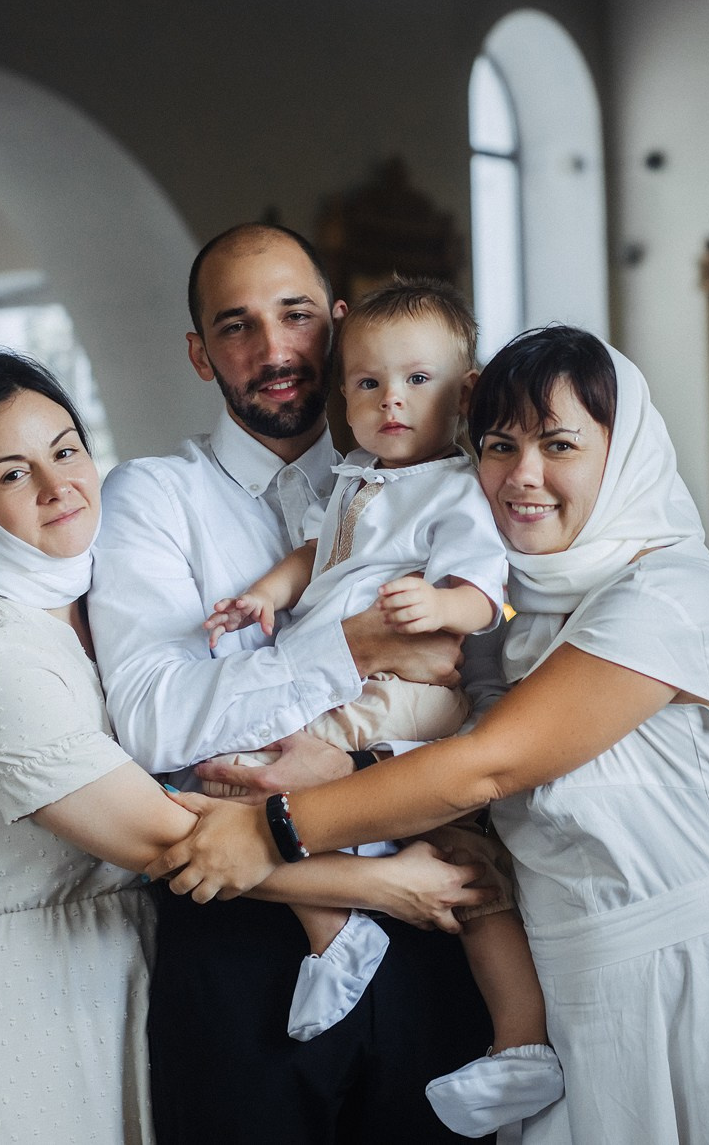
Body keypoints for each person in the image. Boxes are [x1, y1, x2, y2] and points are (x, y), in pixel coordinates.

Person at [153, 327, 709, 1145]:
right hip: (581, 1015)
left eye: (560, 444)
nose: (523, 476)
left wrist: (277, 831)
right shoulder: (526, 621)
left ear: (621, 453)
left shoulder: (665, 593)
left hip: (707, 994)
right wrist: (346, 757)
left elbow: (491, 764)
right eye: (498, 444)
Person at [0, 352, 490, 1145]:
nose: (59, 485)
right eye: (14, 474)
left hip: (114, 971)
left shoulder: (82, 604)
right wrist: (383, 882)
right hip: (13, 990)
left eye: (66, 448)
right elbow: (167, 837)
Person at [89, 226, 495, 1145]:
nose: (273, 350)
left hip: (433, 906)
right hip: (240, 947)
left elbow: (489, 677)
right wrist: (357, 642)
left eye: (296, 316)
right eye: (236, 327)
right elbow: (156, 722)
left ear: (339, 325)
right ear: (201, 353)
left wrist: (350, 747)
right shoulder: (153, 499)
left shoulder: (449, 487)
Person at [203, 278, 563, 1133]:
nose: (389, 401)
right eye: (367, 384)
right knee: (280, 796)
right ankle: (339, 932)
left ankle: (521, 1036)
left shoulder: (457, 487)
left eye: (415, 381)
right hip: (350, 684)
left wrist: (443, 609)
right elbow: (318, 555)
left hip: (407, 696)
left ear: (465, 392)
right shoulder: (355, 479)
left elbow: (484, 588)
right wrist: (267, 590)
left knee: (279, 789)